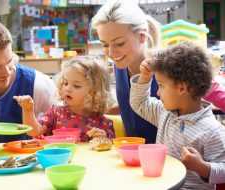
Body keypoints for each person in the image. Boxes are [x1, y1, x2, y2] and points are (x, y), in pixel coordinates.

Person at [91, 0, 225, 143]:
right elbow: (134, 106)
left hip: (173, 159)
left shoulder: (168, 65)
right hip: (134, 156)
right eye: (104, 44)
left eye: (119, 43)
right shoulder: (120, 64)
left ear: (142, 36)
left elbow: (211, 89)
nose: (111, 52)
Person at [130, 42, 225, 189]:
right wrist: (144, 78)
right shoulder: (165, 113)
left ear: (182, 88)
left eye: (161, 85)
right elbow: (140, 103)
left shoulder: (212, 131)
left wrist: (202, 167)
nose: (158, 93)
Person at [14, 56, 115, 141]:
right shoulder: (55, 113)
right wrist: (28, 110)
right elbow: (34, 132)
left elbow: (110, 151)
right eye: (65, 83)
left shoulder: (103, 123)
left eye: (76, 86)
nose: (68, 89)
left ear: (94, 92)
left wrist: (103, 139)